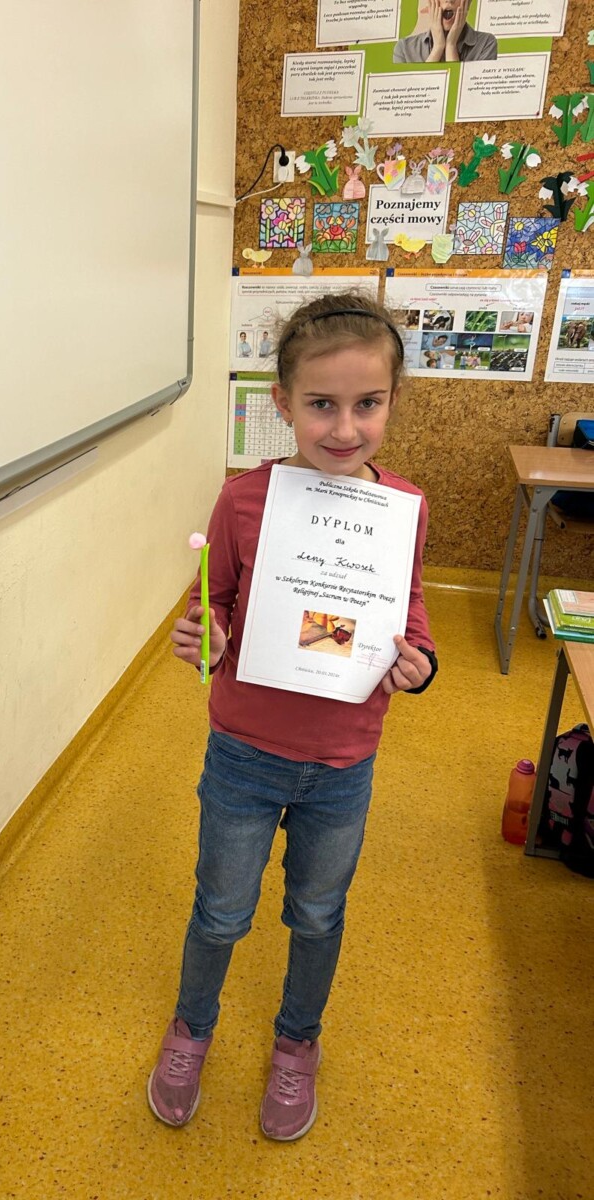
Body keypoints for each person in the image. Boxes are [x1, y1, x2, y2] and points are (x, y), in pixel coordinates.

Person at [148, 293, 437, 1141]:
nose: (344, 427)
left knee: (317, 914)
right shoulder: (244, 500)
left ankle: (296, 1042)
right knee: (221, 911)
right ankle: (192, 1029)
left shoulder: (404, 510)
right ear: (282, 403)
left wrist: (419, 663)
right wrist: (207, 634)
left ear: (392, 401)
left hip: (343, 762)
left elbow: (410, 612)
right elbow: (215, 603)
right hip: (244, 752)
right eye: (321, 404)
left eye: (367, 403)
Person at [393, 0, 497, 63]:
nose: (449, 0)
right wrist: (438, 47)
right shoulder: (404, 49)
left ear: (468, 3)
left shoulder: (486, 44)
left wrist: (451, 45)